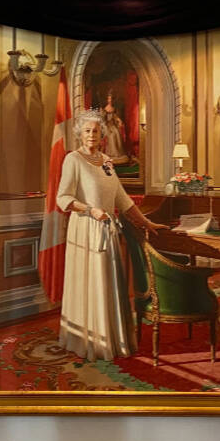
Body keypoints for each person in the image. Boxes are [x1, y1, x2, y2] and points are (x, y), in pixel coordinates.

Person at [56, 108, 161, 360]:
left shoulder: (105, 161)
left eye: (96, 131)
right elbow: (63, 198)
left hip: (108, 230)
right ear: (80, 134)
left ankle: (112, 339)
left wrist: (147, 223)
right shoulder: (73, 159)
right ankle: (89, 340)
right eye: (88, 131)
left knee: (108, 282)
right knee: (92, 281)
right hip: (85, 229)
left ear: (103, 134)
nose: (92, 134)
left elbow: (122, 199)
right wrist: (90, 210)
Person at [100, 92, 130, 165]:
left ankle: (117, 153)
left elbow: (115, 117)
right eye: (109, 98)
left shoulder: (114, 108)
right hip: (106, 126)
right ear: (107, 99)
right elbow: (103, 119)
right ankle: (110, 154)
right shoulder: (105, 108)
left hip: (113, 125)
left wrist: (119, 121)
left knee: (116, 132)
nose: (110, 100)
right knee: (111, 135)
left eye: (111, 99)